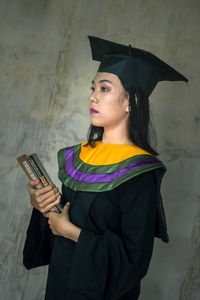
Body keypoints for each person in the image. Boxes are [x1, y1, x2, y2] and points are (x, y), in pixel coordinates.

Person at [24, 36, 188, 300]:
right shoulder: (78, 157)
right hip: (59, 286)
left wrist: (73, 233)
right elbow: (58, 221)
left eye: (104, 89)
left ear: (130, 102)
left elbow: (134, 261)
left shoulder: (140, 172)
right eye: (93, 87)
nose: (92, 96)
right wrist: (42, 203)